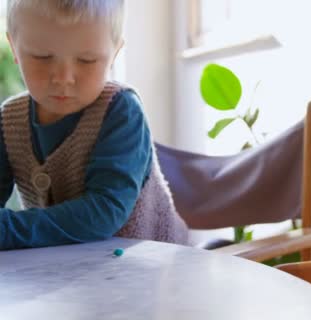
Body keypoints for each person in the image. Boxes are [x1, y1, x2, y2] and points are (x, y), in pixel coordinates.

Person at [0, 0, 189, 250]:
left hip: (153, 266)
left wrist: (9, 229)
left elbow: (104, 211)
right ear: (14, 47)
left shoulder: (121, 111)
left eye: (86, 60)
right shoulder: (8, 120)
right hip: (71, 270)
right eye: (42, 57)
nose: (63, 78)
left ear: (114, 53)